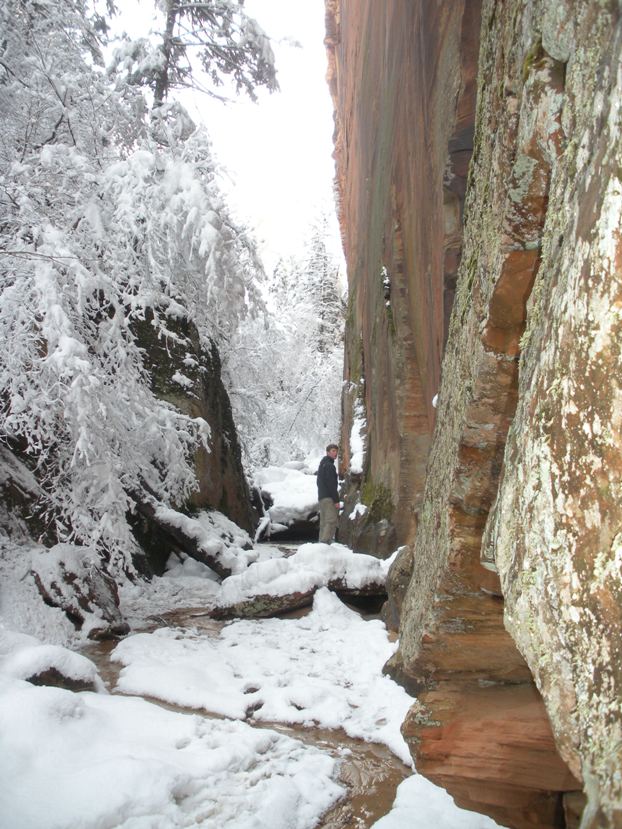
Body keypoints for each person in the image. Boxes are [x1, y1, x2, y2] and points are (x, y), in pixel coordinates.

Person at [317, 443, 340, 544]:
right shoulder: (330, 466)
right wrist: (336, 500)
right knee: (331, 520)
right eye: (333, 451)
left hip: (322, 498)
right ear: (328, 452)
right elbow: (331, 484)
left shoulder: (322, 464)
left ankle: (321, 543)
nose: (335, 453)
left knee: (324, 522)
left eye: (336, 451)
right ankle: (325, 543)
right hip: (328, 498)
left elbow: (318, 482)